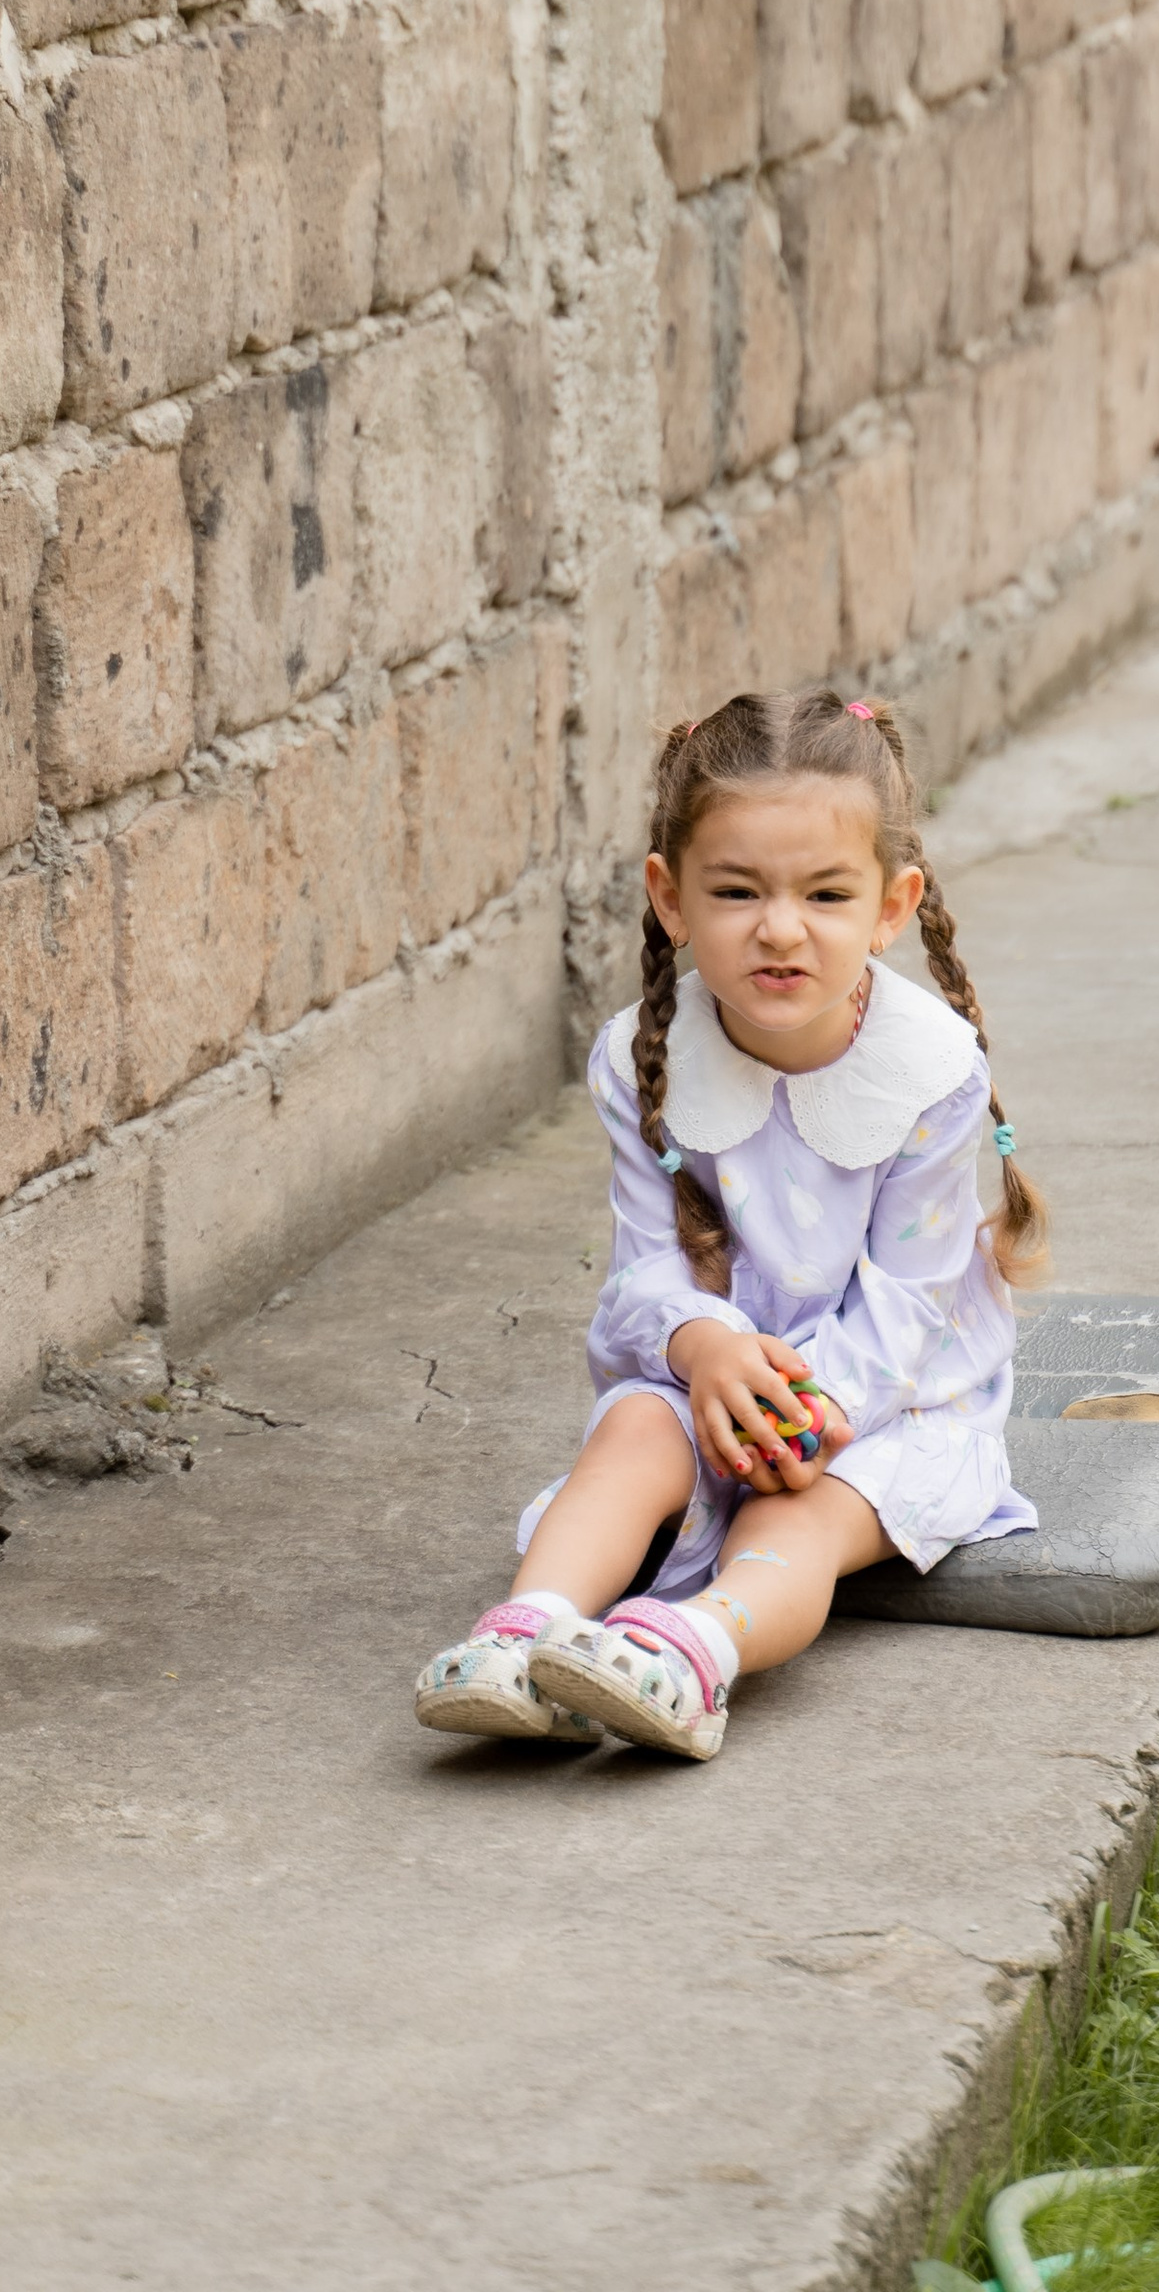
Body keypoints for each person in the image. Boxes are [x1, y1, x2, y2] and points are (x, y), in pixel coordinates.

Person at [415, 686, 1047, 1762]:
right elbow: (647, 1267)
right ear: (671, 897)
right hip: (709, 1377)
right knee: (628, 1432)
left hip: (885, 1405)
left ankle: (688, 1655)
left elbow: (908, 1310)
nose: (780, 928)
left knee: (787, 1522)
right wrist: (701, 1347)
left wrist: (801, 1417)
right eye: (737, 890)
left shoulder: (928, 1075)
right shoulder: (642, 1061)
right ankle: (526, 1639)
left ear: (891, 908)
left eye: (827, 893)